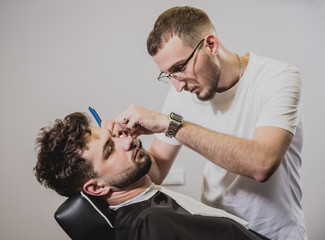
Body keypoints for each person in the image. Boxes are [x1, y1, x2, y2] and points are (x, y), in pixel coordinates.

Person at [110, 6, 307, 240]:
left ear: (211, 45)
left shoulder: (278, 78)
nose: (178, 85)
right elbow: (158, 171)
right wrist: (128, 146)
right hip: (219, 230)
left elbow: (261, 164)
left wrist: (169, 124)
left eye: (180, 68)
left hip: (275, 234)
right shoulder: (181, 94)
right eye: (168, 75)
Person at [34, 112, 269, 240]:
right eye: (109, 149)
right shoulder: (152, 223)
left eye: (113, 135)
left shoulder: (145, 203)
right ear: (96, 188)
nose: (127, 140)